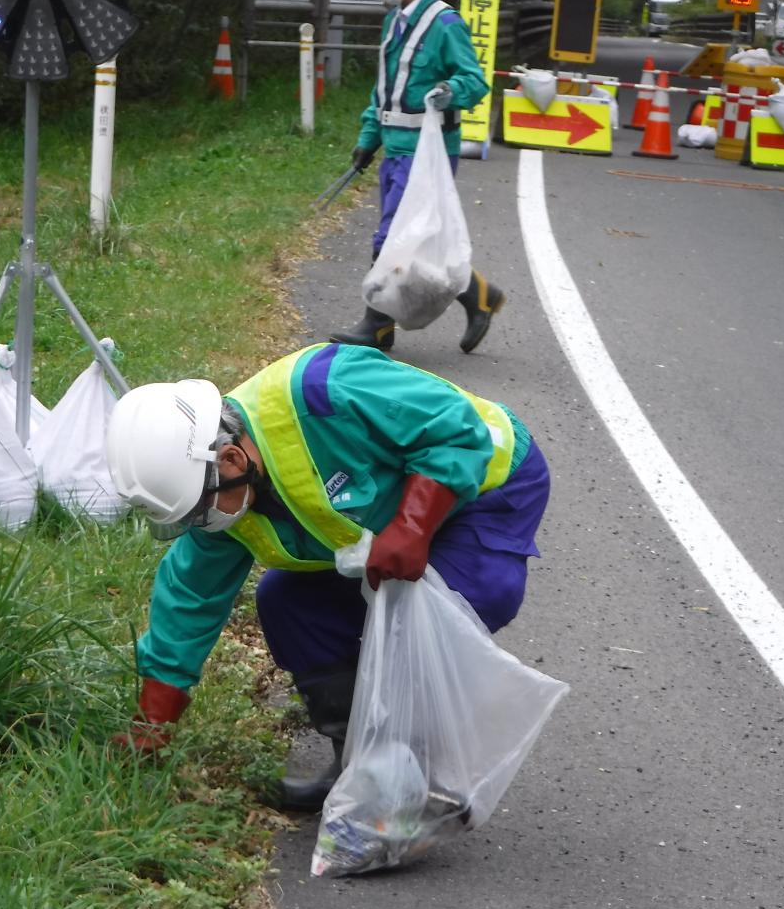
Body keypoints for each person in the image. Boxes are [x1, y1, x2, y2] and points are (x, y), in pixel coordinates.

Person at [105, 343, 549, 811]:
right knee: (287, 604)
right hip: (386, 520)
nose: (201, 522)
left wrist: (414, 524)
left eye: (199, 508)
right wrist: (154, 718)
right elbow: (189, 597)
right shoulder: (219, 498)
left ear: (232, 459)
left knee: (466, 594)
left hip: (489, 482)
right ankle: (361, 768)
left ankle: (417, 773)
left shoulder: (325, 389)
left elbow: (458, 431)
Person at [330, 0, 504, 355]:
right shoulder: (394, 21)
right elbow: (384, 92)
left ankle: (377, 324)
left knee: (395, 236)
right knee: (414, 239)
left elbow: (474, 80)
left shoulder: (444, 23)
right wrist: (369, 138)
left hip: (427, 152)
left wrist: (449, 91)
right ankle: (478, 295)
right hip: (396, 149)